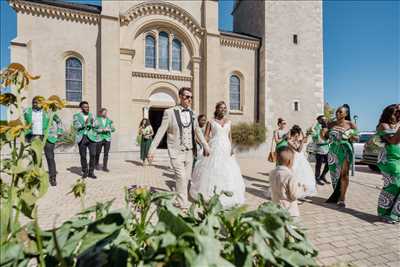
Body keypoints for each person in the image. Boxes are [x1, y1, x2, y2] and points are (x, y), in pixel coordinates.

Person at [147, 87, 210, 209]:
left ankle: (179, 199)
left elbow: (198, 131)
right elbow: (161, 131)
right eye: (187, 97)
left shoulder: (193, 113)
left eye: (191, 97)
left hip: (190, 151)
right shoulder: (169, 112)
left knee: (186, 179)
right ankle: (183, 204)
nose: (189, 99)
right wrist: (152, 149)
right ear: (180, 97)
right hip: (176, 151)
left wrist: (206, 146)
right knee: (181, 177)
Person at [190, 101, 246, 208]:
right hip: (214, 147)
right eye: (221, 108)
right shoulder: (211, 122)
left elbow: (230, 136)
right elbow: (206, 136)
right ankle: (211, 194)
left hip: (226, 148)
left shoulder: (229, 122)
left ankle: (228, 195)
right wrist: (205, 147)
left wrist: (231, 147)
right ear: (216, 109)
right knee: (213, 169)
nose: (223, 110)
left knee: (228, 170)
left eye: (225, 108)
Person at [24, 96, 63, 186]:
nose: (35, 104)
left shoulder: (48, 111)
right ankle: (37, 177)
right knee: (36, 158)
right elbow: (22, 121)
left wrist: (59, 132)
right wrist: (25, 133)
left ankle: (52, 178)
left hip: (47, 137)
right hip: (34, 137)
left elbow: (58, 121)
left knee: (50, 157)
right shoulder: (26, 111)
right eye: (34, 102)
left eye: (37, 102)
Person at [325, 104, 358, 207]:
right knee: (334, 175)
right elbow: (325, 137)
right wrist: (324, 131)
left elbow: (356, 138)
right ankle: (337, 194)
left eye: (340, 112)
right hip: (333, 151)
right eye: (337, 111)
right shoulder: (331, 124)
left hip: (345, 150)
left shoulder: (351, 124)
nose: (338, 113)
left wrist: (351, 137)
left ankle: (342, 198)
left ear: (346, 114)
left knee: (344, 175)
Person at [376, 104, 400, 224]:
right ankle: (383, 213)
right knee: (393, 185)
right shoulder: (383, 126)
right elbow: (393, 141)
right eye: (395, 112)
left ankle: (395, 214)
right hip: (389, 160)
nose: (397, 115)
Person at [270, 146, 307, 218]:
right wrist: (302, 189)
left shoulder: (272, 173)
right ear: (290, 161)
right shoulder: (290, 176)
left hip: (276, 208)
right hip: (289, 211)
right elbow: (294, 195)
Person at [287, 125, 316, 198]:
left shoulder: (298, 140)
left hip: (302, 159)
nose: (298, 137)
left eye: (298, 135)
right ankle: (293, 191)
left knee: (304, 175)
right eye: (296, 135)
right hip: (294, 159)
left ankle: (303, 191)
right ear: (293, 135)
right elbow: (299, 150)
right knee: (295, 175)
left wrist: (308, 134)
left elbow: (305, 140)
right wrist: (302, 142)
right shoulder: (289, 141)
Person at [73, 101, 98, 179]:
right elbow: (76, 126)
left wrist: (93, 123)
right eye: (85, 107)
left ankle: (91, 172)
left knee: (93, 154)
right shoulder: (76, 116)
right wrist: (85, 124)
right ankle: (85, 171)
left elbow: (96, 125)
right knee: (83, 156)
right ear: (81, 108)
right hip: (82, 137)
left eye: (88, 107)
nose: (87, 108)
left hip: (92, 137)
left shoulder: (92, 115)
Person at [313, 115, 331, 185]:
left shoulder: (326, 127)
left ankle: (322, 176)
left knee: (329, 163)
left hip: (327, 149)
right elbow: (316, 140)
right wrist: (327, 141)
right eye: (323, 119)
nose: (325, 120)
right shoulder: (316, 128)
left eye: (325, 119)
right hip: (320, 149)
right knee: (318, 165)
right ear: (319, 120)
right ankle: (317, 178)